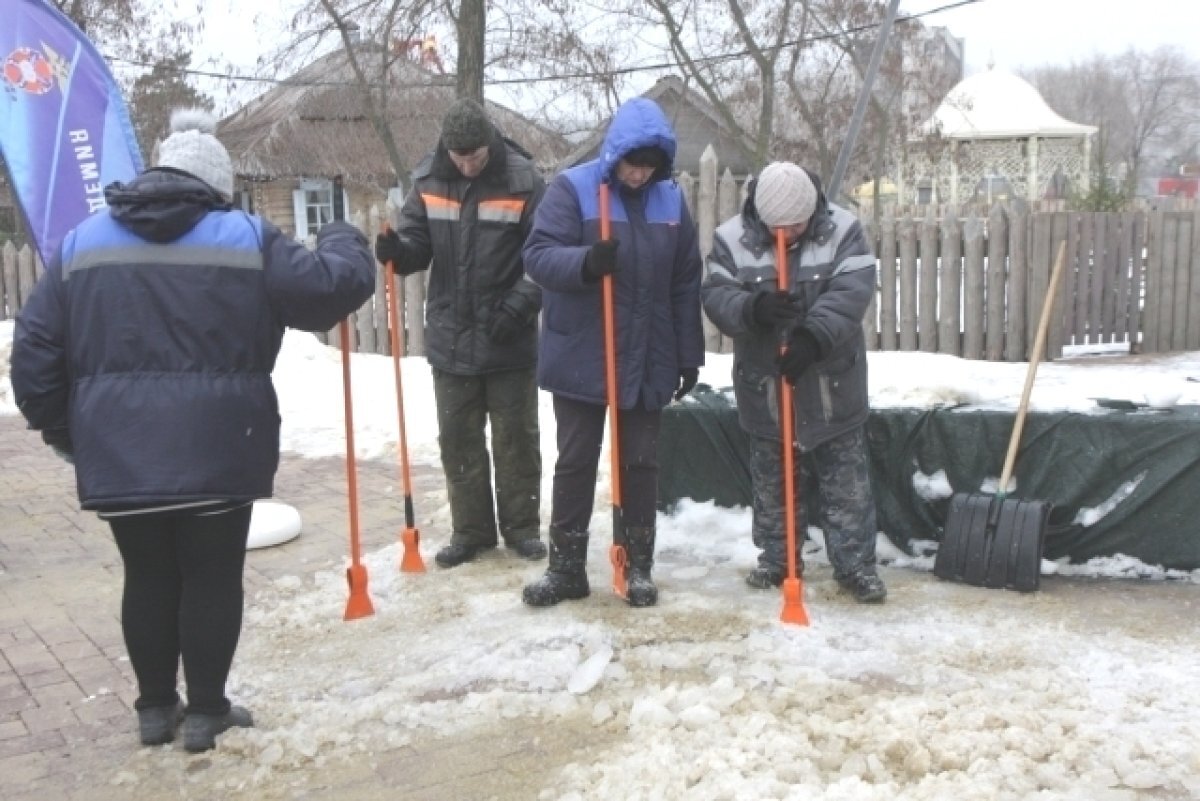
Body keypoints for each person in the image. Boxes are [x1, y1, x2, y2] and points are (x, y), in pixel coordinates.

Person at [10, 108, 376, 751]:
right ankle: (206, 712)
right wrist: (343, 236)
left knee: (146, 575)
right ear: (216, 184)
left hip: (120, 454)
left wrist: (66, 431)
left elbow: (33, 352)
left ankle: (155, 709)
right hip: (219, 447)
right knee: (210, 576)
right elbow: (327, 290)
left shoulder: (83, 243)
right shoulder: (246, 237)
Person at [520, 97, 705, 608]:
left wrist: (688, 355)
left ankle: (638, 565)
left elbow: (686, 280)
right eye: (632, 163)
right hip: (583, 350)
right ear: (615, 154)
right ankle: (565, 570)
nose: (640, 174)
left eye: (649, 165)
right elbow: (536, 257)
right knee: (576, 461)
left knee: (641, 463)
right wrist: (585, 262)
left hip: (648, 354)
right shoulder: (573, 189)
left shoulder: (671, 201)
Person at [700, 161, 886, 603]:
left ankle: (855, 566)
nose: (788, 236)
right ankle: (777, 560)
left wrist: (812, 335)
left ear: (813, 209)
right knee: (772, 483)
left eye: (798, 225)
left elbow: (852, 291)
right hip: (766, 388)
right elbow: (715, 294)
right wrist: (753, 309)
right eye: (778, 228)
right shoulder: (731, 240)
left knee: (847, 487)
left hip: (830, 387)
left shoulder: (845, 231)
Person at [374, 97, 547, 569]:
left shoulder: (523, 180)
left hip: (508, 337)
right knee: (458, 440)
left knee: (516, 440)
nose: (467, 165)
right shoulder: (430, 180)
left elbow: (546, 255)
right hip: (451, 338)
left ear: (488, 143)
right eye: (459, 157)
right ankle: (470, 532)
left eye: (474, 156)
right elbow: (416, 247)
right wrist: (395, 251)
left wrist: (519, 305)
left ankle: (522, 529)